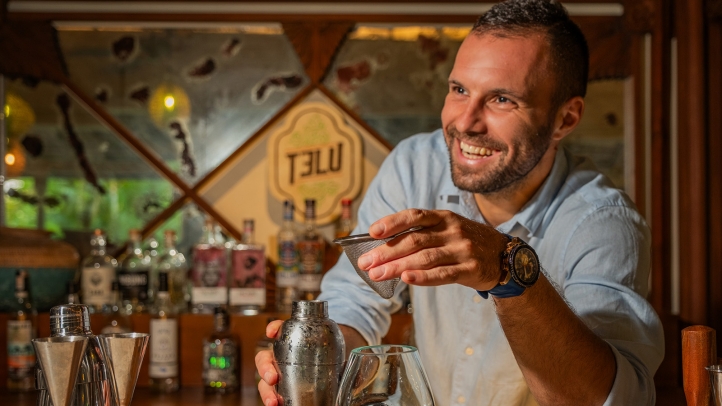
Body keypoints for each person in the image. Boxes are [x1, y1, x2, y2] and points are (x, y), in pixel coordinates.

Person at [256, 0, 664, 405]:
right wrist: (315, 359)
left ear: (565, 119)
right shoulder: (414, 167)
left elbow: (610, 399)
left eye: (502, 99)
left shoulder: (603, 222)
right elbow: (357, 300)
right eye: (460, 90)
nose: (465, 122)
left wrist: (507, 271)